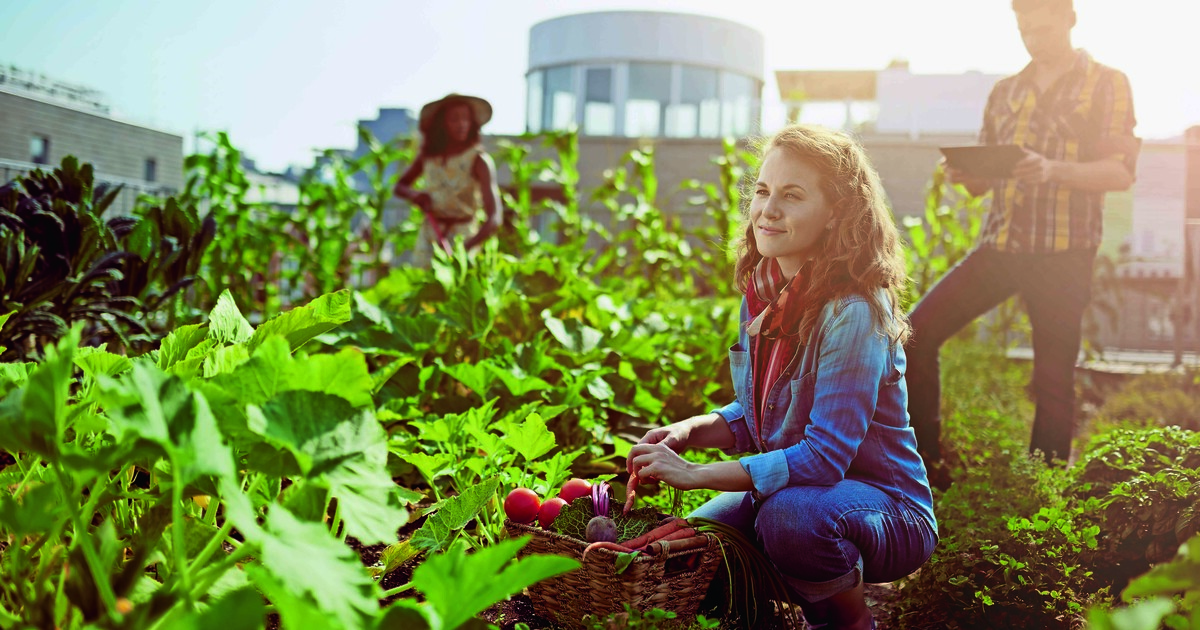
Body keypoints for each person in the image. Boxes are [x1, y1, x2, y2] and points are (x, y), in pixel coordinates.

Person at [627, 125, 937, 630]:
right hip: (804, 491)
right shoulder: (767, 293)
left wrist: (694, 474)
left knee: (788, 520)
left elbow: (823, 458)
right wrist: (688, 432)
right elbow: (757, 418)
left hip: (888, 509)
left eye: (792, 196)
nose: (768, 210)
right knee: (697, 543)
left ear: (837, 212)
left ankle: (848, 621)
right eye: (763, 191)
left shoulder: (854, 310)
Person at [905, 0, 1139, 471]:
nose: (1033, 38)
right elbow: (987, 181)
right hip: (1002, 247)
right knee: (914, 335)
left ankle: (1043, 486)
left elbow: (1119, 172)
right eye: (1024, 30)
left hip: (1064, 253)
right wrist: (965, 175)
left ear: (1070, 18)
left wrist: (1052, 170)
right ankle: (923, 463)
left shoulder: (1107, 83)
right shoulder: (1005, 92)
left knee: (1052, 379)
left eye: (1042, 28)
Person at [393, 93, 503, 266]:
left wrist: (466, 247)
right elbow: (400, 186)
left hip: (464, 239)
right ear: (441, 124)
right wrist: (416, 196)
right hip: (430, 236)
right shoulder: (428, 158)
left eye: (466, 119)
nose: (461, 125)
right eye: (454, 119)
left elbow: (494, 218)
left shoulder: (478, 160)